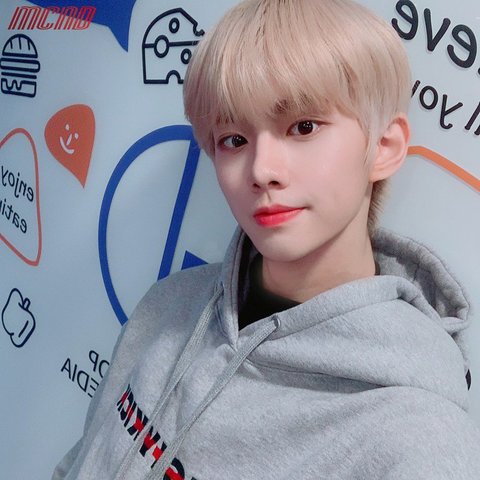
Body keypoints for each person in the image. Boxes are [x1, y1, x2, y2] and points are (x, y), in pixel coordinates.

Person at [53, 0, 480, 478]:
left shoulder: (419, 444)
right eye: (233, 139)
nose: (261, 170)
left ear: (383, 146)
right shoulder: (168, 306)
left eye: (303, 127)